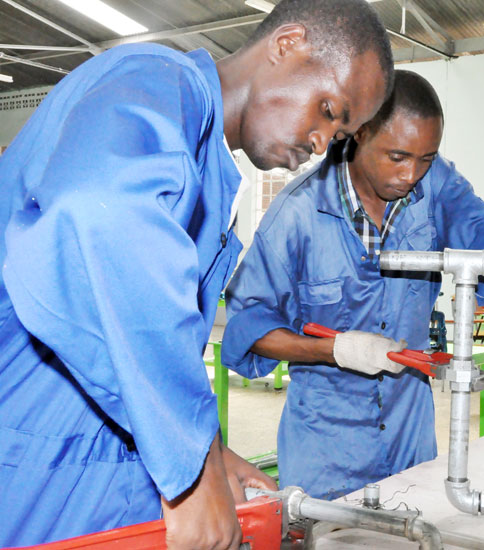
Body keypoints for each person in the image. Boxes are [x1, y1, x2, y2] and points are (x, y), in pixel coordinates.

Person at [0, 0, 394, 547]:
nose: (321, 143)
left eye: (340, 134)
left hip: (93, 468)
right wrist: (193, 466)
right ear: (287, 45)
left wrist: (214, 453)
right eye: (328, 110)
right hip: (29, 462)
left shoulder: (202, 161)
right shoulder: (153, 82)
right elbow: (100, 213)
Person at [220, 71, 484, 500]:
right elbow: (247, 326)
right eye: (398, 156)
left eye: (426, 158)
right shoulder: (296, 215)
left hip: (410, 430)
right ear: (359, 133)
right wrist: (333, 350)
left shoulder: (436, 183)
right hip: (326, 442)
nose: (412, 174)